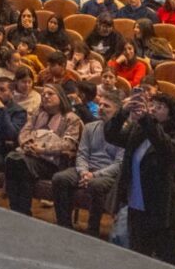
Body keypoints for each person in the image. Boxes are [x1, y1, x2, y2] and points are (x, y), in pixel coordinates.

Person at [105, 90, 175, 264]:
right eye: (152, 105)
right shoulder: (140, 129)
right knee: (138, 259)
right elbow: (112, 136)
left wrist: (146, 121)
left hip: (164, 209)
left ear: (171, 113)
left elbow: (168, 149)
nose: (153, 109)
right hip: (137, 204)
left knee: (166, 262)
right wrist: (123, 112)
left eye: (160, 107)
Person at [50, 89, 124, 235]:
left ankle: (92, 230)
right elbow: (82, 154)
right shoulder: (90, 127)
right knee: (60, 178)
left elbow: (119, 163)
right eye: (100, 105)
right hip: (86, 169)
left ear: (118, 111)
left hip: (107, 174)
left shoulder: (124, 132)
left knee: (96, 185)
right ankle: (64, 225)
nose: (101, 108)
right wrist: (84, 171)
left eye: (106, 106)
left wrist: (94, 175)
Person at [4, 83, 83, 216]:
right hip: (30, 156)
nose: (45, 96)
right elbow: (24, 132)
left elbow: (68, 145)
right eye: (43, 94)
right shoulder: (38, 114)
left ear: (61, 97)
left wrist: (42, 149)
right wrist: (26, 144)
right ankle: (17, 209)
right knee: (12, 160)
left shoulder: (71, 119)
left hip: (52, 161)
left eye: (50, 94)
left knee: (20, 163)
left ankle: (20, 211)